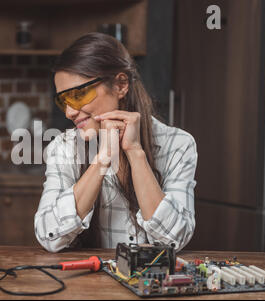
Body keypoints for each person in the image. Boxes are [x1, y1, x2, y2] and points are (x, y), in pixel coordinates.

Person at [34, 32, 198, 253]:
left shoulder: (179, 145)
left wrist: (135, 153)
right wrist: (101, 161)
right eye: (63, 100)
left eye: (80, 94)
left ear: (121, 85)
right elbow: (48, 236)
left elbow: (174, 239)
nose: (69, 112)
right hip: (88, 282)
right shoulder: (62, 148)